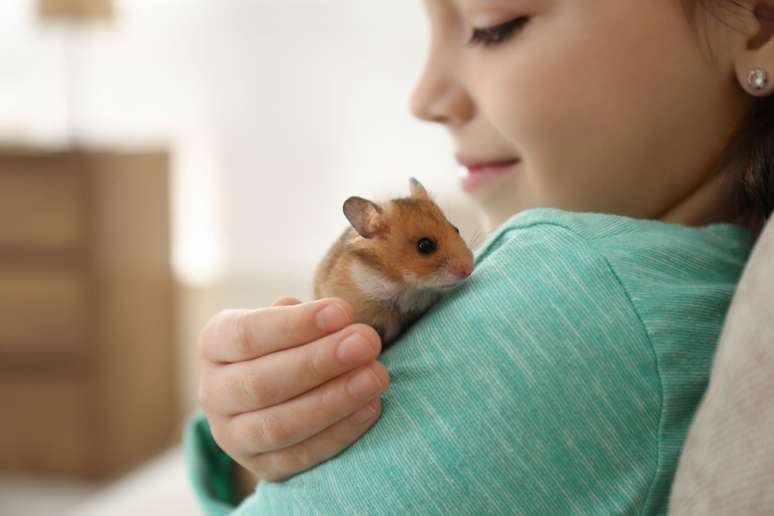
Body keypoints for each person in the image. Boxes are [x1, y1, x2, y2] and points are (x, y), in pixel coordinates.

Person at [184, 0, 774, 514]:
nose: (422, 98)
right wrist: (255, 449)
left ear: (760, 20)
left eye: (495, 25)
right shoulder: (710, 276)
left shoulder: (576, 285)